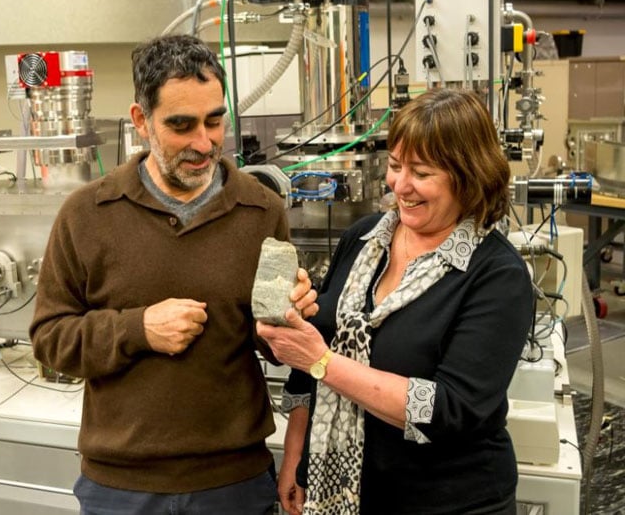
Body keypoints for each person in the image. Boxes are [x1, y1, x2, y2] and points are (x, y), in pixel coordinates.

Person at [30, 34, 318, 515]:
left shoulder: (259, 209)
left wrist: (289, 320)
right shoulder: (87, 213)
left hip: (234, 483)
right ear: (141, 120)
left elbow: (270, 344)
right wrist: (136, 329)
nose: (203, 143)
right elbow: (49, 338)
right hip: (121, 487)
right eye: (181, 125)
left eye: (214, 121)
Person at [257, 87, 535, 515]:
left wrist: (323, 362)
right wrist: (296, 454)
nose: (400, 185)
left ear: (468, 175)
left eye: (421, 173)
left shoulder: (497, 275)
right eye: (394, 165)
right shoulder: (364, 239)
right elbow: (314, 351)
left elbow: (447, 409)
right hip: (350, 493)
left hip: (449, 501)